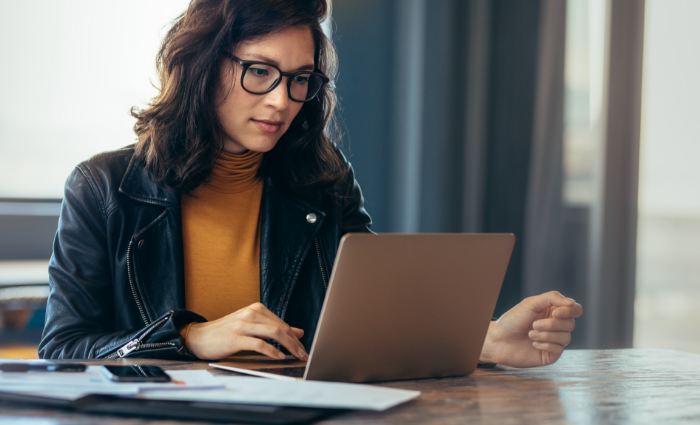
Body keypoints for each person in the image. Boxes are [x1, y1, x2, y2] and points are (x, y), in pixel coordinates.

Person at [39, 0, 582, 368]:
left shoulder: (322, 179)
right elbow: (63, 349)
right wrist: (187, 339)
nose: (281, 100)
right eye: (259, 71)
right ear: (202, 65)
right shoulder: (104, 188)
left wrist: (483, 340)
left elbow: (371, 320)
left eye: (300, 79)